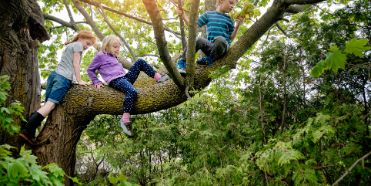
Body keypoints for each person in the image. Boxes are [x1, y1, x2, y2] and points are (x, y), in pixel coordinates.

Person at [19, 30, 97, 145]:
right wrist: (79, 80)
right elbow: (76, 64)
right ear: (82, 38)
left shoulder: (69, 45)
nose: (87, 47)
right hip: (63, 78)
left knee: (46, 105)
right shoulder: (78, 45)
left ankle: (28, 126)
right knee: (50, 106)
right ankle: (27, 130)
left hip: (54, 75)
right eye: (88, 43)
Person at [87, 35, 163, 136]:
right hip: (115, 81)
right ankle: (125, 119)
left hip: (124, 78)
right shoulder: (100, 56)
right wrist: (96, 81)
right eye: (115, 47)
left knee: (140, 62)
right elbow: (90, 70)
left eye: (118, 47)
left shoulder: (114, 56)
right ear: (106, 46)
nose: (118, 49)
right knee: (132, 92)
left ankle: (159, 78)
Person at [176, 0, 243, 73]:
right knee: (199, 40)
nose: (232, 6)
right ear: (221, 1)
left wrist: (237, 26)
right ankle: (182, 62)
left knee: (220, 39)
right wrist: (183, 16)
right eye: (231, 2)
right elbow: (193, 27)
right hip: (211, 48)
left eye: (234, 5)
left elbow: (231, 38)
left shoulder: (230, 20)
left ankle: (210, 59)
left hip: (222, 48)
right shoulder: (208, 15)